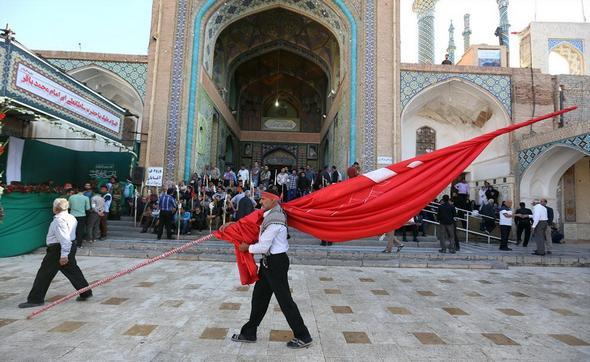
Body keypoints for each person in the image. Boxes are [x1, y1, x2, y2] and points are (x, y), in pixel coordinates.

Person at [228, 188, 313, 349]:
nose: (261, 201)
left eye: (264, 199)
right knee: (259, 297)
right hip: (269, 262)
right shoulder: (271, 215)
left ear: (273, 200)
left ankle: (303, 335)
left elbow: (263, 245)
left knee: (285, 300)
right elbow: (253, 226)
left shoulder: (274, 220)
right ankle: (249, 332)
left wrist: (247, 248)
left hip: (276, 263)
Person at [18, 198, 93, 308]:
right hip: (67, 247)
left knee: (44, 274)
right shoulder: (71, 217)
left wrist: (63, 255)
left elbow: (64, 239)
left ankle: (35, 299)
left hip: (58, 250)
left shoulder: (59, 220)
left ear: (56, 208)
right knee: (74, 272)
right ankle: (86, 292)